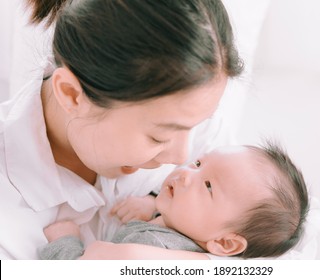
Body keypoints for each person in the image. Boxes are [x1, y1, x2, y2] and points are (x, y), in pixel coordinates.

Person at [0, 0, 243, 259]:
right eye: (158, 136)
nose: (181, 157)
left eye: (196, 126)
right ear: (71, 95)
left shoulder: (205, 142)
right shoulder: (9, 216)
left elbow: (268, 245)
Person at [38, 143, 309, 260]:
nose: (185, 174)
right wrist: (154, 204)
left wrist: (64, 243)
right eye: (198, 163)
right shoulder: (190, 237)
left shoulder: (152, 247)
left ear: (226, 243)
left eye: (208, 186)